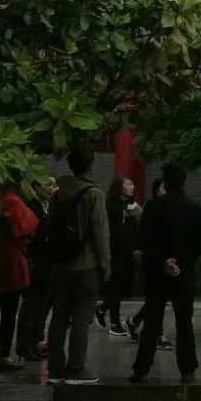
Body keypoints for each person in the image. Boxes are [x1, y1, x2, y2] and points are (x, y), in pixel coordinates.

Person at [129, 164, 201, 385]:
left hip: (157, 272)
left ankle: (142, 369)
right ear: (184, 181)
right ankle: (187, 369)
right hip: (184, 273)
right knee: (184, 321)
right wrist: (181, 261)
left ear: (164, 183)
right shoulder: (196, 208)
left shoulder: (153, 208)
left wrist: (163, 260)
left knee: (153, 320)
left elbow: (145, 239)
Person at [45, 146, 111, 385]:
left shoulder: (58, 192)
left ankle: (54, 367)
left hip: (60, 263)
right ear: (90, 166)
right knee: (82, 318)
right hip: (86, 263)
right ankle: (76, 368)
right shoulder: (94, 193)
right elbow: (100, 233)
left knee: (59, 316)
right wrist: (106, 266)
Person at [0, 181, 39, 369]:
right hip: (11, 259)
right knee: (9, 312)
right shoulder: (13, 201)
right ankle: (3, 355)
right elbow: (28, 227)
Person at [126, 177, 174, 350]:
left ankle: (135, 321)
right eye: (162, 188)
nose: (165, 191)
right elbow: (147, 238)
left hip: (168, 260)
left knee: (158, 299)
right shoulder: (151, 208)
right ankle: (158, 335)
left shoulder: (172, 208)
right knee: (157, 299)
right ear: (156, 190)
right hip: (154, 260)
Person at [15, 175, 56, 360]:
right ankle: (25, 346)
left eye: (54, 185)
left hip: (47, 263)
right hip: (34, 261)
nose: (51, 188)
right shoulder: (31, 206)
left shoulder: (50, 207)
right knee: (30, 306)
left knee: (42, 307)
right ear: (36, 187)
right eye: (47, 184)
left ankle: (36, 342)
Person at [97, 175, 140, 336]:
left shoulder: (130, 203)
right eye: (128, 184)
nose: (132, 186)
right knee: (117, 284)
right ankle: (114, 322)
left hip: (128, 251)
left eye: (132, 184)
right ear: (119, 187)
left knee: (125, 284)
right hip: (115, 250)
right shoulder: (111, 205)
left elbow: (142, 216)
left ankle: (102, 308)